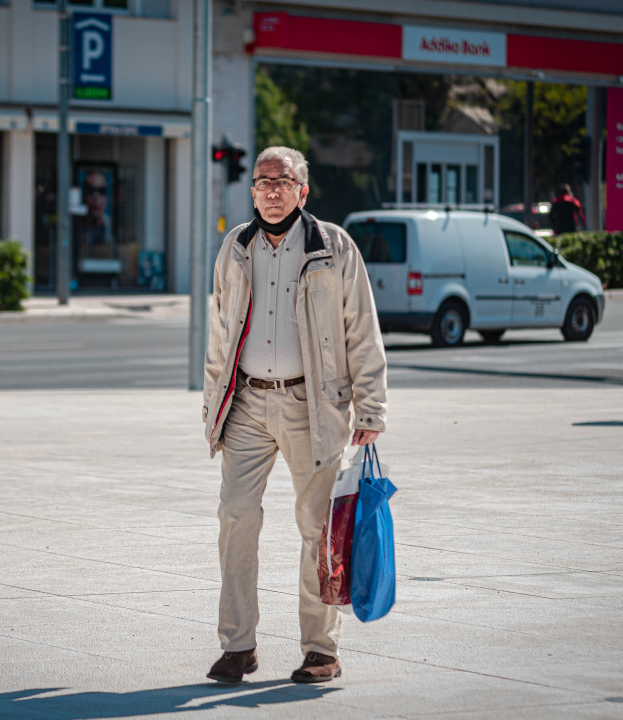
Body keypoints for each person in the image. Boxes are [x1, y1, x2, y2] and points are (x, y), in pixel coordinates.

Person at [202, 147, 387, 685]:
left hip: (312, 406)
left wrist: (370, 405)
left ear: (303, 192)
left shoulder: (333, 248)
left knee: (317, 527)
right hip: (246, 405)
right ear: (252, 191)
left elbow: (362, 329)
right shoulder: (236, 246)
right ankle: (238, 646)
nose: (272, 191)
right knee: (235, 517)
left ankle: (320, 649)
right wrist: (212, 402)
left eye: (283, 182)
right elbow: (220, 332)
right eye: (262, 182)